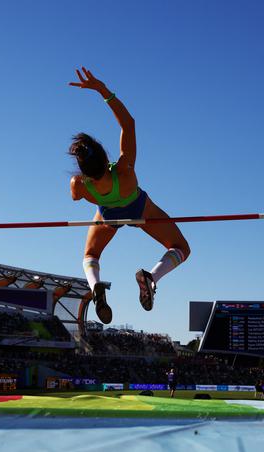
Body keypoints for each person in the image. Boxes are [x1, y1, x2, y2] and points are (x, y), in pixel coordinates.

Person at [68, 67, 191, 323]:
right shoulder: (124, 171)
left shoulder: (79, 184)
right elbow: (128, 123)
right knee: (181, 248)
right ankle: (152, 278)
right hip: (139, 208)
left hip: (108, 215)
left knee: (90, 255)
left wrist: (89, 184)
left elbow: (75, 198)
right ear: (105, 155)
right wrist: (102, 90)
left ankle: (95, 287)